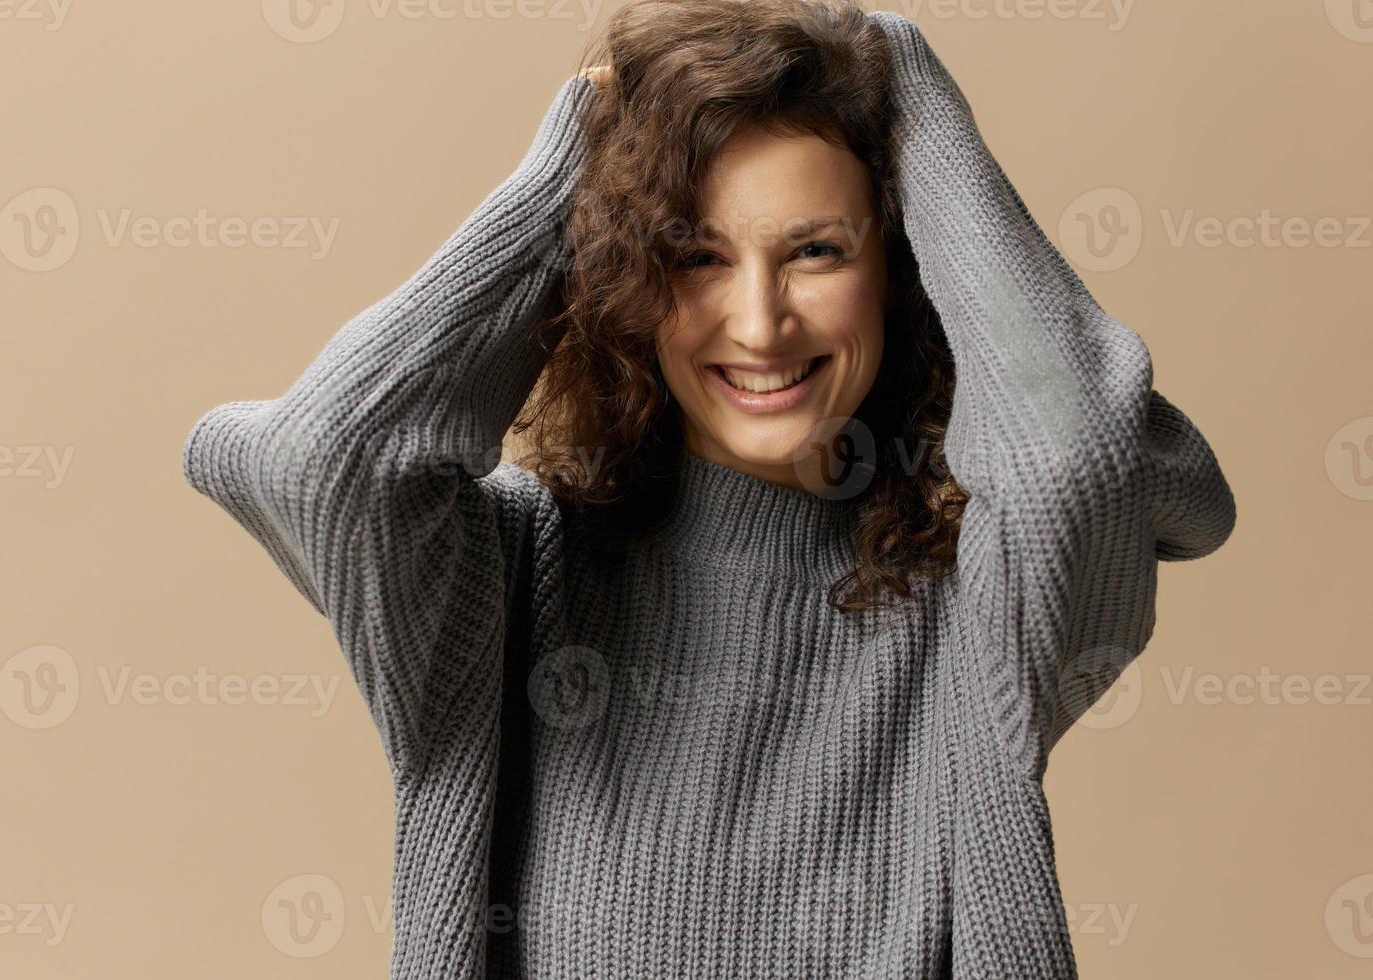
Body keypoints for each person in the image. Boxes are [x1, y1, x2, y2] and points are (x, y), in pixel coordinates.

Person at [181, 1, 1236, 977]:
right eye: (694, 256)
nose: (760, 320)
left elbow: (1077, 456)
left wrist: (911, 102)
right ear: (628, 278)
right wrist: (569, 176)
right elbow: (320, 458)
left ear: (903, 267)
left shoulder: (981, 609)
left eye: (816, 250)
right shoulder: (501, 575)